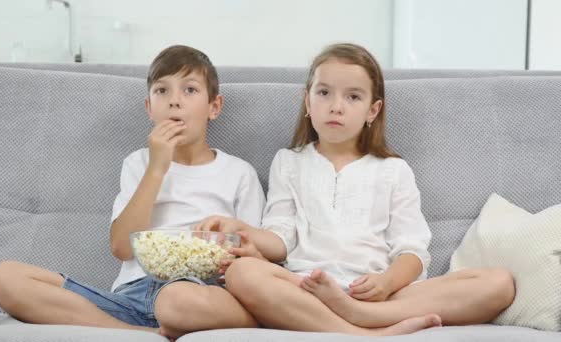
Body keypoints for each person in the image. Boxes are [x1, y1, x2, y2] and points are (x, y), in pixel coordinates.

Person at [195, 43, 515, 336]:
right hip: (309, 287)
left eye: (353, 97)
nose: (336, 107)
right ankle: (363, 334)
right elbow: (280, 238)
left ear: (372, 112)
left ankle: (360, 314)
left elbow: (413, 252)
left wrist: (385, 283)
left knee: (498, 283)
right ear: (308, 101)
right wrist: (241, 229)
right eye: (324, 93)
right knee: (243, 273)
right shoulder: (288, 162)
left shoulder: (393, 170)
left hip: (379, 291)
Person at [0, 45, 265, 338]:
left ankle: (169, 321)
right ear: (149, 108)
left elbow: (252, 259)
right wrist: (157, 167)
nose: (174, 102)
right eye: (162, 91)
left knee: (180, 300)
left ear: (214, 107)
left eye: (190, 90)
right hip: (130, 298)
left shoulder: (239, 173)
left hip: (195, 295)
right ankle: (135, 332)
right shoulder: (138, 163)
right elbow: (121, 247)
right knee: (4, 278)